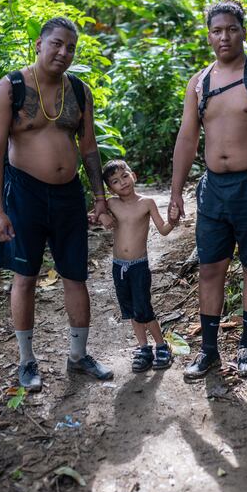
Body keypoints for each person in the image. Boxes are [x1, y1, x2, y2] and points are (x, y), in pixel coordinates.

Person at [0, 16, 113, 391]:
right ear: (39, 44)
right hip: (24, 193)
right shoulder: (12, 87)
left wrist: (100, 199)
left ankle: (79, 355)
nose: (63, 52)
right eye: (56, 44)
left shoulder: (78, 90)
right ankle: (26, 361)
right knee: (25, 277)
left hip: (68, 193)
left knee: (76, 274)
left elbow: (89, 149)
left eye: (70, 47)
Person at [168, 0, 247, 379]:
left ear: (243, 31)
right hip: (214, 188)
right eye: (217, 31)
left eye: (231, 29)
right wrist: (175, 192)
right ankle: (209, 352)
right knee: (211, 267)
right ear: (209, 36)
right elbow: (187, 139)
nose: (224, 37)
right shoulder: (200, 82)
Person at [99, 159, 178, 372]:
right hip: (119, 267)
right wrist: (100, 216)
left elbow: (163, 229)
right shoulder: (111, 204)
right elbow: (98, 215)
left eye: (125, 176)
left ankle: (161, 346)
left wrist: (173, 219)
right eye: (115, 181)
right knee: (131, 310)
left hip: (139, 266)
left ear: (133, 175)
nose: (122, 182)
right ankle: (143, 348)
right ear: (110, 188)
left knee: (144, 308)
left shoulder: (147, 202)